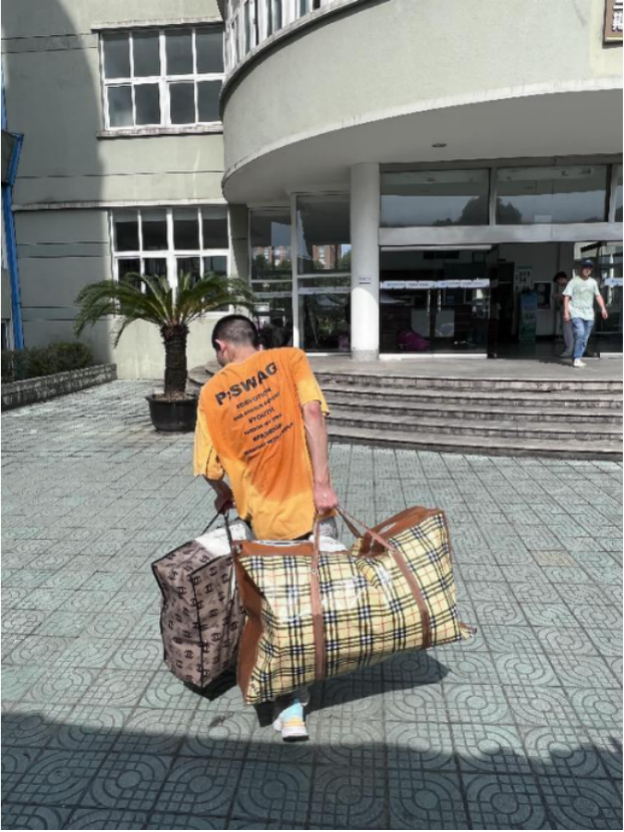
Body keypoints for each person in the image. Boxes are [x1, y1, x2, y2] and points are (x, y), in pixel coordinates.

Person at [194, 315, 339, 742]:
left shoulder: (212, 393)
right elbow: (312, 413)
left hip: (263, 520)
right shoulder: (291, 359)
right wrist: (322, 484)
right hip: (312, 509)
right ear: (253, 339)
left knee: (278, 609)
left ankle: (290, 706)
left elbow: (208, 468)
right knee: (316, 602)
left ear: (222, 347)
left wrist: (225, 492)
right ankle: (304, 685)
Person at [564, 260, 609, 368]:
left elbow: (598, 296)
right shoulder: (573, 281)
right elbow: (566, 297)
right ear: (581, 268)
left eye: (589, 268)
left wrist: (603, 309)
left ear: (591, 270)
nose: (587, 269)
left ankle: (576, 357)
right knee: (580, 333)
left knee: (584, 338)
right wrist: (566, 312)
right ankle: (577, 358)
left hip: (589, 314)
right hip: (576, 312)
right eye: (585, 267)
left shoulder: (593, 282)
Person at [553, 271, 574, 358]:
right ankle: (570, 349)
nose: (559, 284)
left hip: (569, 312)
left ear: (561, 279)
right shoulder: (568, 286)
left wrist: (558, 296)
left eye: (558, 282)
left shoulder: (571, 285)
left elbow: (570, 297)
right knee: (569, 331)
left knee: (568, 331)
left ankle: (569, 350)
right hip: (568, 311)